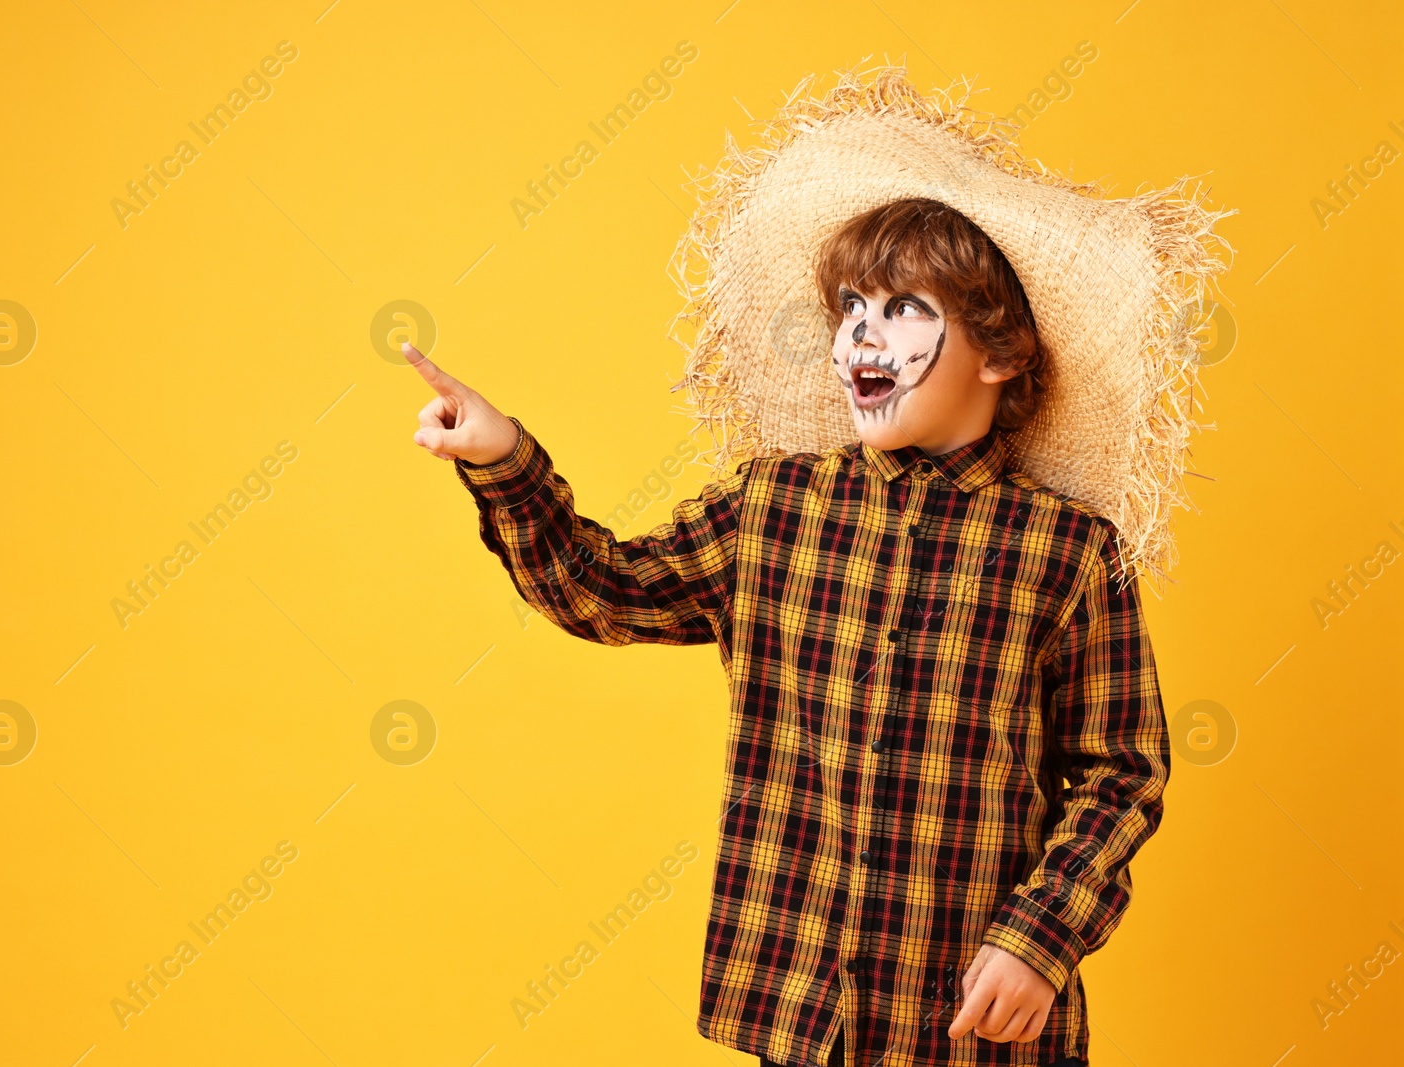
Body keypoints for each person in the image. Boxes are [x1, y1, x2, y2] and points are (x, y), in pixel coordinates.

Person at [407, 61, 1229, 1067]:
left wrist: (1040, 938)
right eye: (848, 308)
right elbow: (603, 590)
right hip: (802, 1011)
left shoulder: (1066, 551)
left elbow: (1120, 772)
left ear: (1000, 351)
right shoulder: (770, 509)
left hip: (972, 1022)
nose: (857, 337)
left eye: (899, 309)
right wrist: (503, 460)